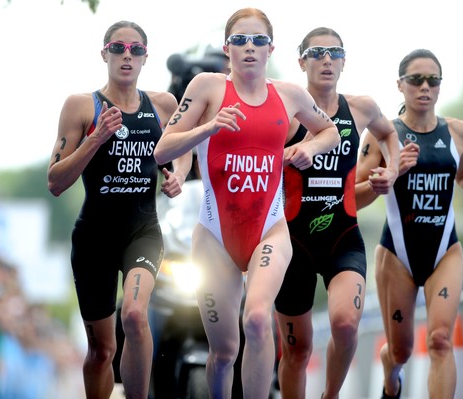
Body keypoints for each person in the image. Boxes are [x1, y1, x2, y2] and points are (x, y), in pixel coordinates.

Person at [153, 8, 340, 398]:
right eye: (240, 40)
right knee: (223, 352)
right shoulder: (206, 87)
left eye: (258, 40)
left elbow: (331, 132)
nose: (249, 47)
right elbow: (162, 150)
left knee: (257, 319)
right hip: (214, 236)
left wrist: (307, 147)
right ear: (227, 49)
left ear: (271, 48)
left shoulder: (289, 95)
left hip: (268, 232)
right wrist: (209, 126)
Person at [47, 21, 192, 399]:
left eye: (136, 49)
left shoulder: (162, 105)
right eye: (118, 48)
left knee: (134, 314)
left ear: (145, 57)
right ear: (105, 54)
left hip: (141, 231)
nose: (127, 55)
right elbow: (56, 182)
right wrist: (96, 138)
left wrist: (176, 174)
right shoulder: (81, 106)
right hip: (94, 236)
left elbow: (182, 153)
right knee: (101, 350)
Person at [356, 48, 463, 398]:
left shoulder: (458, 132)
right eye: (416, 79)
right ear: (400, 85)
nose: (425, 87)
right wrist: (393, 170)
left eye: (433, 80)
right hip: (397, 257)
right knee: (401, 351)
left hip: (444, 252)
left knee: (439, 340)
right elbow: (353, 195)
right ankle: (392, 377)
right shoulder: (383, 135)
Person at [272, 27, 400, 399]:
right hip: (292, 241)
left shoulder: (360, 108)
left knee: (345, 324)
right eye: (316, 53)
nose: (326, 59)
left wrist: (391, 170)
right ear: (301, 61)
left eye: (334, 53)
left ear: (343, 61)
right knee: (297, 349)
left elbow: (388, 134)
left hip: (342, 237)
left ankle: (330, 395)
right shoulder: (285, 110)